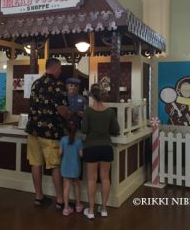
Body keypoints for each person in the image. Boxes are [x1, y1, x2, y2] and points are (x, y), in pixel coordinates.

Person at [26, 58, 72, 210]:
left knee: (35, 163)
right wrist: (71, 116)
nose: (60, 72)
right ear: (55, 67)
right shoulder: (58, 85)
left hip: (33, 130)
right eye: (59, 69)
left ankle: (39, 197)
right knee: (55, 166)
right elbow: (61, 109)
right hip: (50, 132)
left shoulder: (35, 83)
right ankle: (60, 200)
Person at [81, 83, 120, 219]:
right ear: (102, 95)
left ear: (91, 95)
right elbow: (116, 130)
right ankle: (103, 209)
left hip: (91, 147)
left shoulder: (87, 111)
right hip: (106, 147)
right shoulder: (109, 111)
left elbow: (84, 130)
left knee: (91, 179)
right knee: (105, 178)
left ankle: (91, 211)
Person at [59, 122, 83, 216]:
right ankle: (78, 205)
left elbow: (60, 153)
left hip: (65, 167)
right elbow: (81, 155)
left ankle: (66, 208)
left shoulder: (63, 140)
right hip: (75, 167)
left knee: (66, 187)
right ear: (77, 130)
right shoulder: (79, 141)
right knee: (76, 185)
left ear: (65, 130)